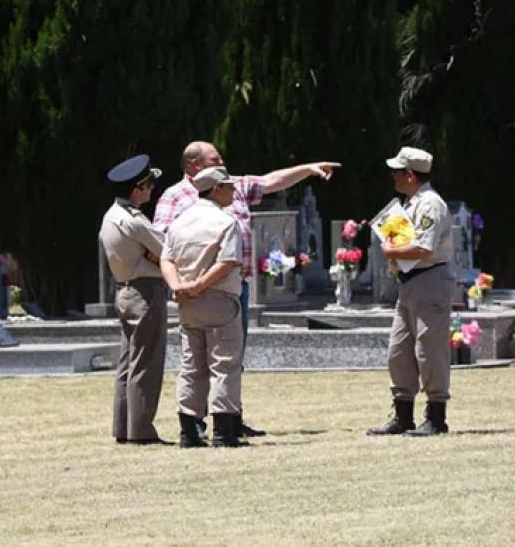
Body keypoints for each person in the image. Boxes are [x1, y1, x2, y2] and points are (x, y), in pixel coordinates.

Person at [154, 141, 341, 437]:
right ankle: (211, 425)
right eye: (215, 160)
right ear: (193, 165)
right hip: (201, 287)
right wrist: (188, 284)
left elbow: (268, 182)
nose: (224, 165)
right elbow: (162, 245)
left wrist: (307, 169)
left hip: (227, 286)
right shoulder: (175, 197)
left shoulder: (232, 186)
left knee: (228, 356)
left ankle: (225, 417)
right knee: (207, 359)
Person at [367, 146, 454, 437]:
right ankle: (403, 413)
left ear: (410, 174)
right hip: (409, 283)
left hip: (429, 279)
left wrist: (391, 248)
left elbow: (423, 247)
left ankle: (436, 415)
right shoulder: (411, 202)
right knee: (399, 350)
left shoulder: (430, 204)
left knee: (430, 349)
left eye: (397, 171)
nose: (393, 176)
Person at [160, 166, 247, 448]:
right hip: (218, 297)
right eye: (229, 186)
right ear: (217, 189)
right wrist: (198, 286)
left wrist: (178, 287)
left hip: (186, 302)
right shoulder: (225, 222)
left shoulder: (180, 221)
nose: (233, 190)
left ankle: (189, 430)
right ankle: (224, 430)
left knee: (191, 365)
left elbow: (167, 259)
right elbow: (227, 263)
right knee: (224, 364)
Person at [99, 154, 168, 445]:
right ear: (137, 189)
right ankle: (140, 430)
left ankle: (124, 428)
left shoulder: (111, 216)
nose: (152, 190)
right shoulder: (135, 221)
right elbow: (167, 249)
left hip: (125, 290)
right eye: (149, 185)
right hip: (144, 292)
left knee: (128, 364)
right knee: (147, 363)